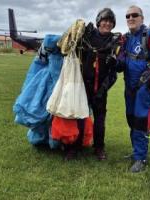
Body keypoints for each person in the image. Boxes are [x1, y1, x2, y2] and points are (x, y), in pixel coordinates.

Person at [64, 8, 121, 160]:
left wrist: (103, 89)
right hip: (83, 85)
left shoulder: (115, 42)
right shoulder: (86, 36)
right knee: (80, 117)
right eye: (105, 20)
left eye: (110, 21)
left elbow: (114, 72)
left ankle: (99, 148)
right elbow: (67, 47)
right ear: (98, 21)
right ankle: (74, 147)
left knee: (100, 120)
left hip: (101, 87)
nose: (107, 24)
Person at [119, 5, 150, 172]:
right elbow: (122, 59)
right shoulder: (126, 38)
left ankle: (141, 158)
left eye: (135, 15)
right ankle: (136, 152)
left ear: (142, 18)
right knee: (131, 119)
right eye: (128, 16)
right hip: (129, 86)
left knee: (141, 120)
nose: (131, 18)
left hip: (144, 86)